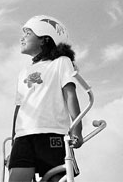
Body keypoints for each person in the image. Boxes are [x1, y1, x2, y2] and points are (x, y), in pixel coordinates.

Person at [8, 15, 84, 182]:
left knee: (57, 178)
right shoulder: (23, 72)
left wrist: (77, 129)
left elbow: (70, 94)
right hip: (23, 137)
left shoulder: (61, 62)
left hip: (52, 133)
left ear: (44, 39)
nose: (22, 38)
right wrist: (14, 139)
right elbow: (19, 108)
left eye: (28, 33)